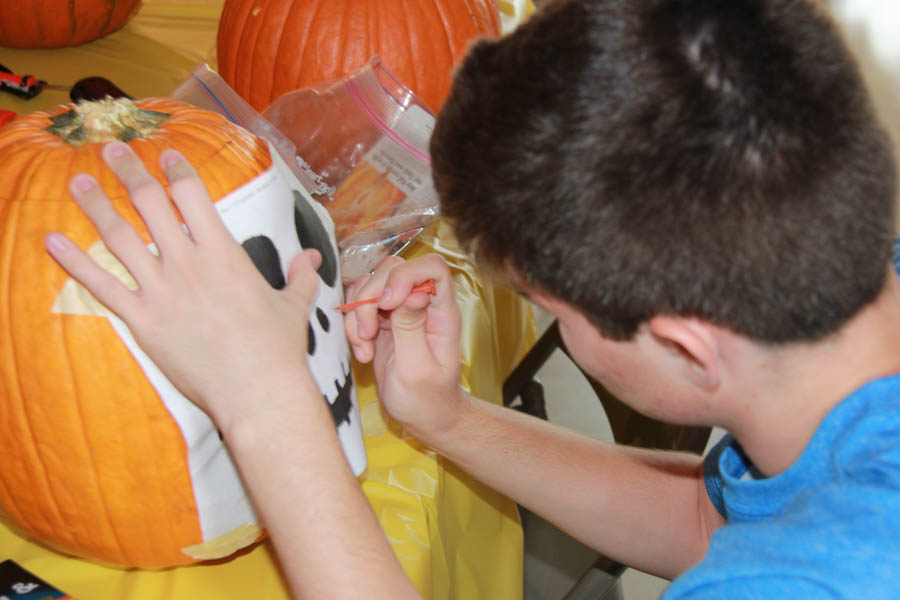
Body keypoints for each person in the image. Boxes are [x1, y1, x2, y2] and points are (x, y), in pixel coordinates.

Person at [44, 0, 900, 597]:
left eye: (553, 314)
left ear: (685, 344)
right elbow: (712, 525)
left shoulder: (834, 576)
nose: (554, 327)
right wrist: (446, 418)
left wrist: (264, 400)